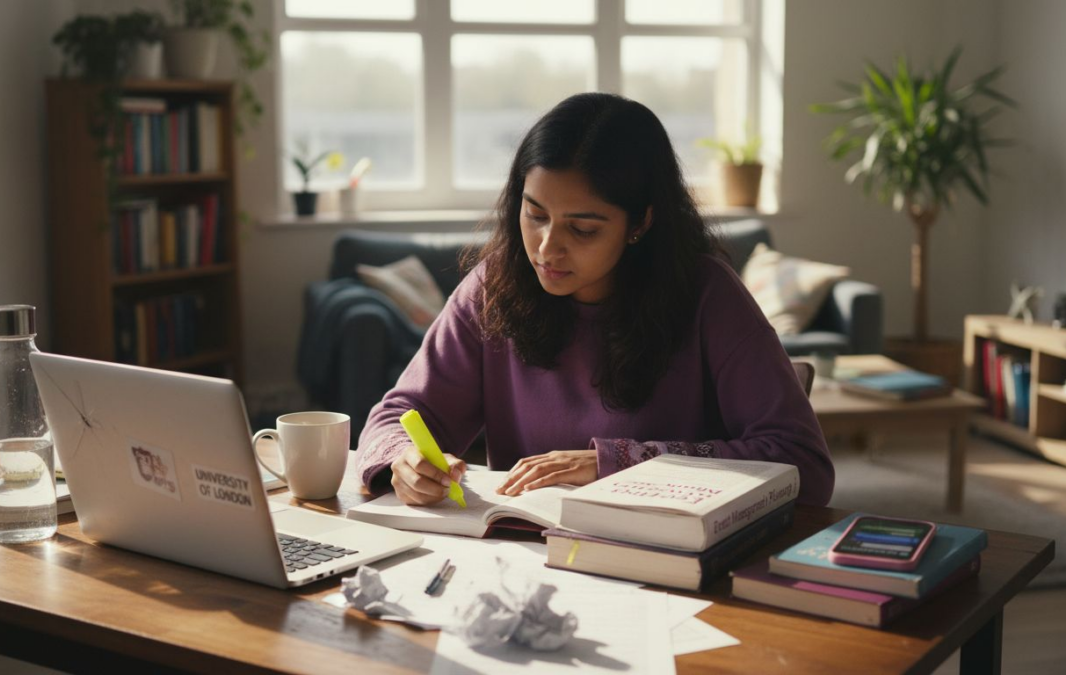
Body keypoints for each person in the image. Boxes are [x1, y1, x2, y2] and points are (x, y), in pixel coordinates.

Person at [355, 92, 834, 507]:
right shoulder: (494, 287)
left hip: (668, 566)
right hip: (520, 558)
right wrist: (405, 460)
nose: (546, 248)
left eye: (582, 229)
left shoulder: (709, 295)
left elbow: (802, 463)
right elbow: (396, 418)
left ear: (641, 223)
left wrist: (619, 463)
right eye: (535, 214)